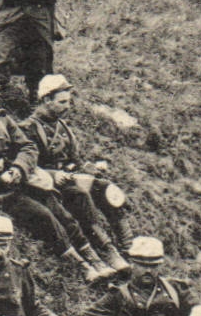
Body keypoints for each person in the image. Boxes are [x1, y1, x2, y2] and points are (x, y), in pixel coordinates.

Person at [0, 72, 105, 282]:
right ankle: (81, 266)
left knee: (59, 210)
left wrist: (18, 169)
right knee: (43, 216)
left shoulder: (1, 119)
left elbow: (28, 146)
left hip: (19, 180)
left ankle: (95, 259)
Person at [22, 73, 132, 273]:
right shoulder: (28, 128)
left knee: (106, 188)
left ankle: (126, 248)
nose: (67, 107)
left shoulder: (62, 127)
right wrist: (54, 174)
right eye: (62, 102)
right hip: (45, 185)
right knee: (79, 195)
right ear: (46, 100)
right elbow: (28, 165)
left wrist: (90, 169)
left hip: (69, 179)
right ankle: (104, 249)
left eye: (68, 102)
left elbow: (75, 161)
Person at [80, 235, 198, 316]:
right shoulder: (119, 294)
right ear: (132, 264)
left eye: (153, 266)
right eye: (142, 265)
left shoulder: (174, 288)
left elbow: (199, 312)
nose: (148, 270)